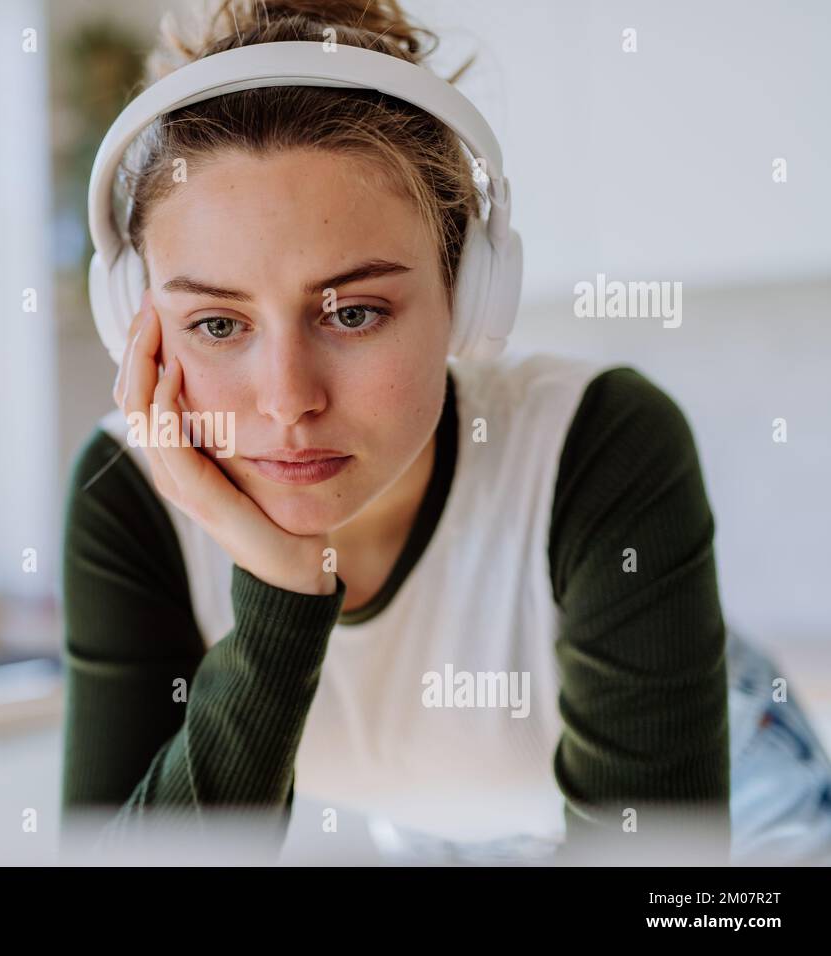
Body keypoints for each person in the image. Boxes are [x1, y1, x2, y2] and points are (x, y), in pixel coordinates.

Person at [59, 0, 831, 864]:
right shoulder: (128, 496)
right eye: (216, 324)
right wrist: (279, 588)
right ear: (140, 322)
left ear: (469, 298)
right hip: (450, 832)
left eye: (352, 311)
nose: (287, 402)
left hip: (747, 793)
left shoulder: (600, 443)